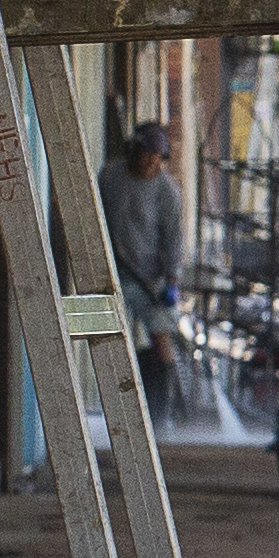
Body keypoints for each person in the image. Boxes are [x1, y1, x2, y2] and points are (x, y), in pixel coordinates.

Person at [105, 120, 190, 414]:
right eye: (147, 154)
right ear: (134, 150)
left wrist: (172, 280)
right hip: (115, 273)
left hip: (151, 278)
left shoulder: (166, 190)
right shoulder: (111, 176)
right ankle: (119, 404)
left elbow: (173, 236)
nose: (152, 161)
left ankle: (161, 407)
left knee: (160, 334)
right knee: (112, 337)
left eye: (158, 156)